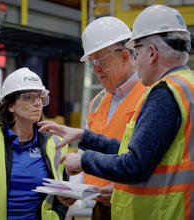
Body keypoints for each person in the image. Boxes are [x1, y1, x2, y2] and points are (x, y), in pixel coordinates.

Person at [38, 4, 194, 220]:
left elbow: (134, 164)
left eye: (136, 52)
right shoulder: (185, 86)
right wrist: (85, 138)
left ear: (151, 53)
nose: (136, 59)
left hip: (163, 209)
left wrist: (84, 161)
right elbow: (135, 152)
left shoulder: (162, 93)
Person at [71, 16, 146, 220]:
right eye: (92, 62)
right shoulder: (98, 101)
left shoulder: (151, 96)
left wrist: (122, 189)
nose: (95, 68)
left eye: (99, 60)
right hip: (100, 207)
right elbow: (86, 150)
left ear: (124, 56)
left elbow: (155, 161)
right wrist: (73, 189)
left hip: (136, 208)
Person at [0, 67, 68, 220]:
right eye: (28, 97)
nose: (37, 103)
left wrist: (57, 216)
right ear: (11, 105)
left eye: (40, 97)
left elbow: (63, 195)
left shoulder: (56, 144)